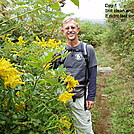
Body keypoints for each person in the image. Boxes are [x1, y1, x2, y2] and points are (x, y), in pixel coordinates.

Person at [60, 17, 98, 134]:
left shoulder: (87, 49)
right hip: (62, 94)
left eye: (73, 27)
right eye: (67, 28)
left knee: (84, 128)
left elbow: (93, 75)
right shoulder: (59, 51)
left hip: (80, 94)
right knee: (64, 126)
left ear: (78, 29)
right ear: (63, 31)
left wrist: (90, 97)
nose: (70, 30)